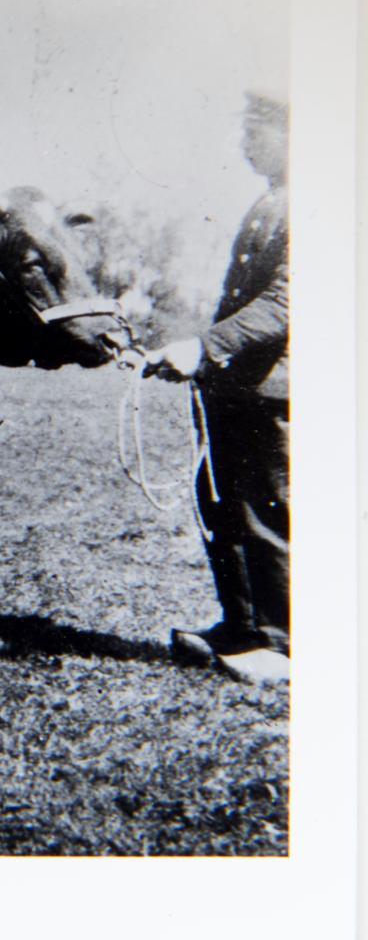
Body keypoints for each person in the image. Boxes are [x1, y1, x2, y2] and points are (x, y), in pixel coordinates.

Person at [144, 89, 290, 686]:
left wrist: (204, 347)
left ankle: (282, 643)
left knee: (267, 511)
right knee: (222, 508)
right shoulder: (272, 201)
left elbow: (285, 303)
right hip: (235, 387)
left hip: (270, 390)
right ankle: (241, 625)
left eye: (258, 133)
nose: (244, 144)